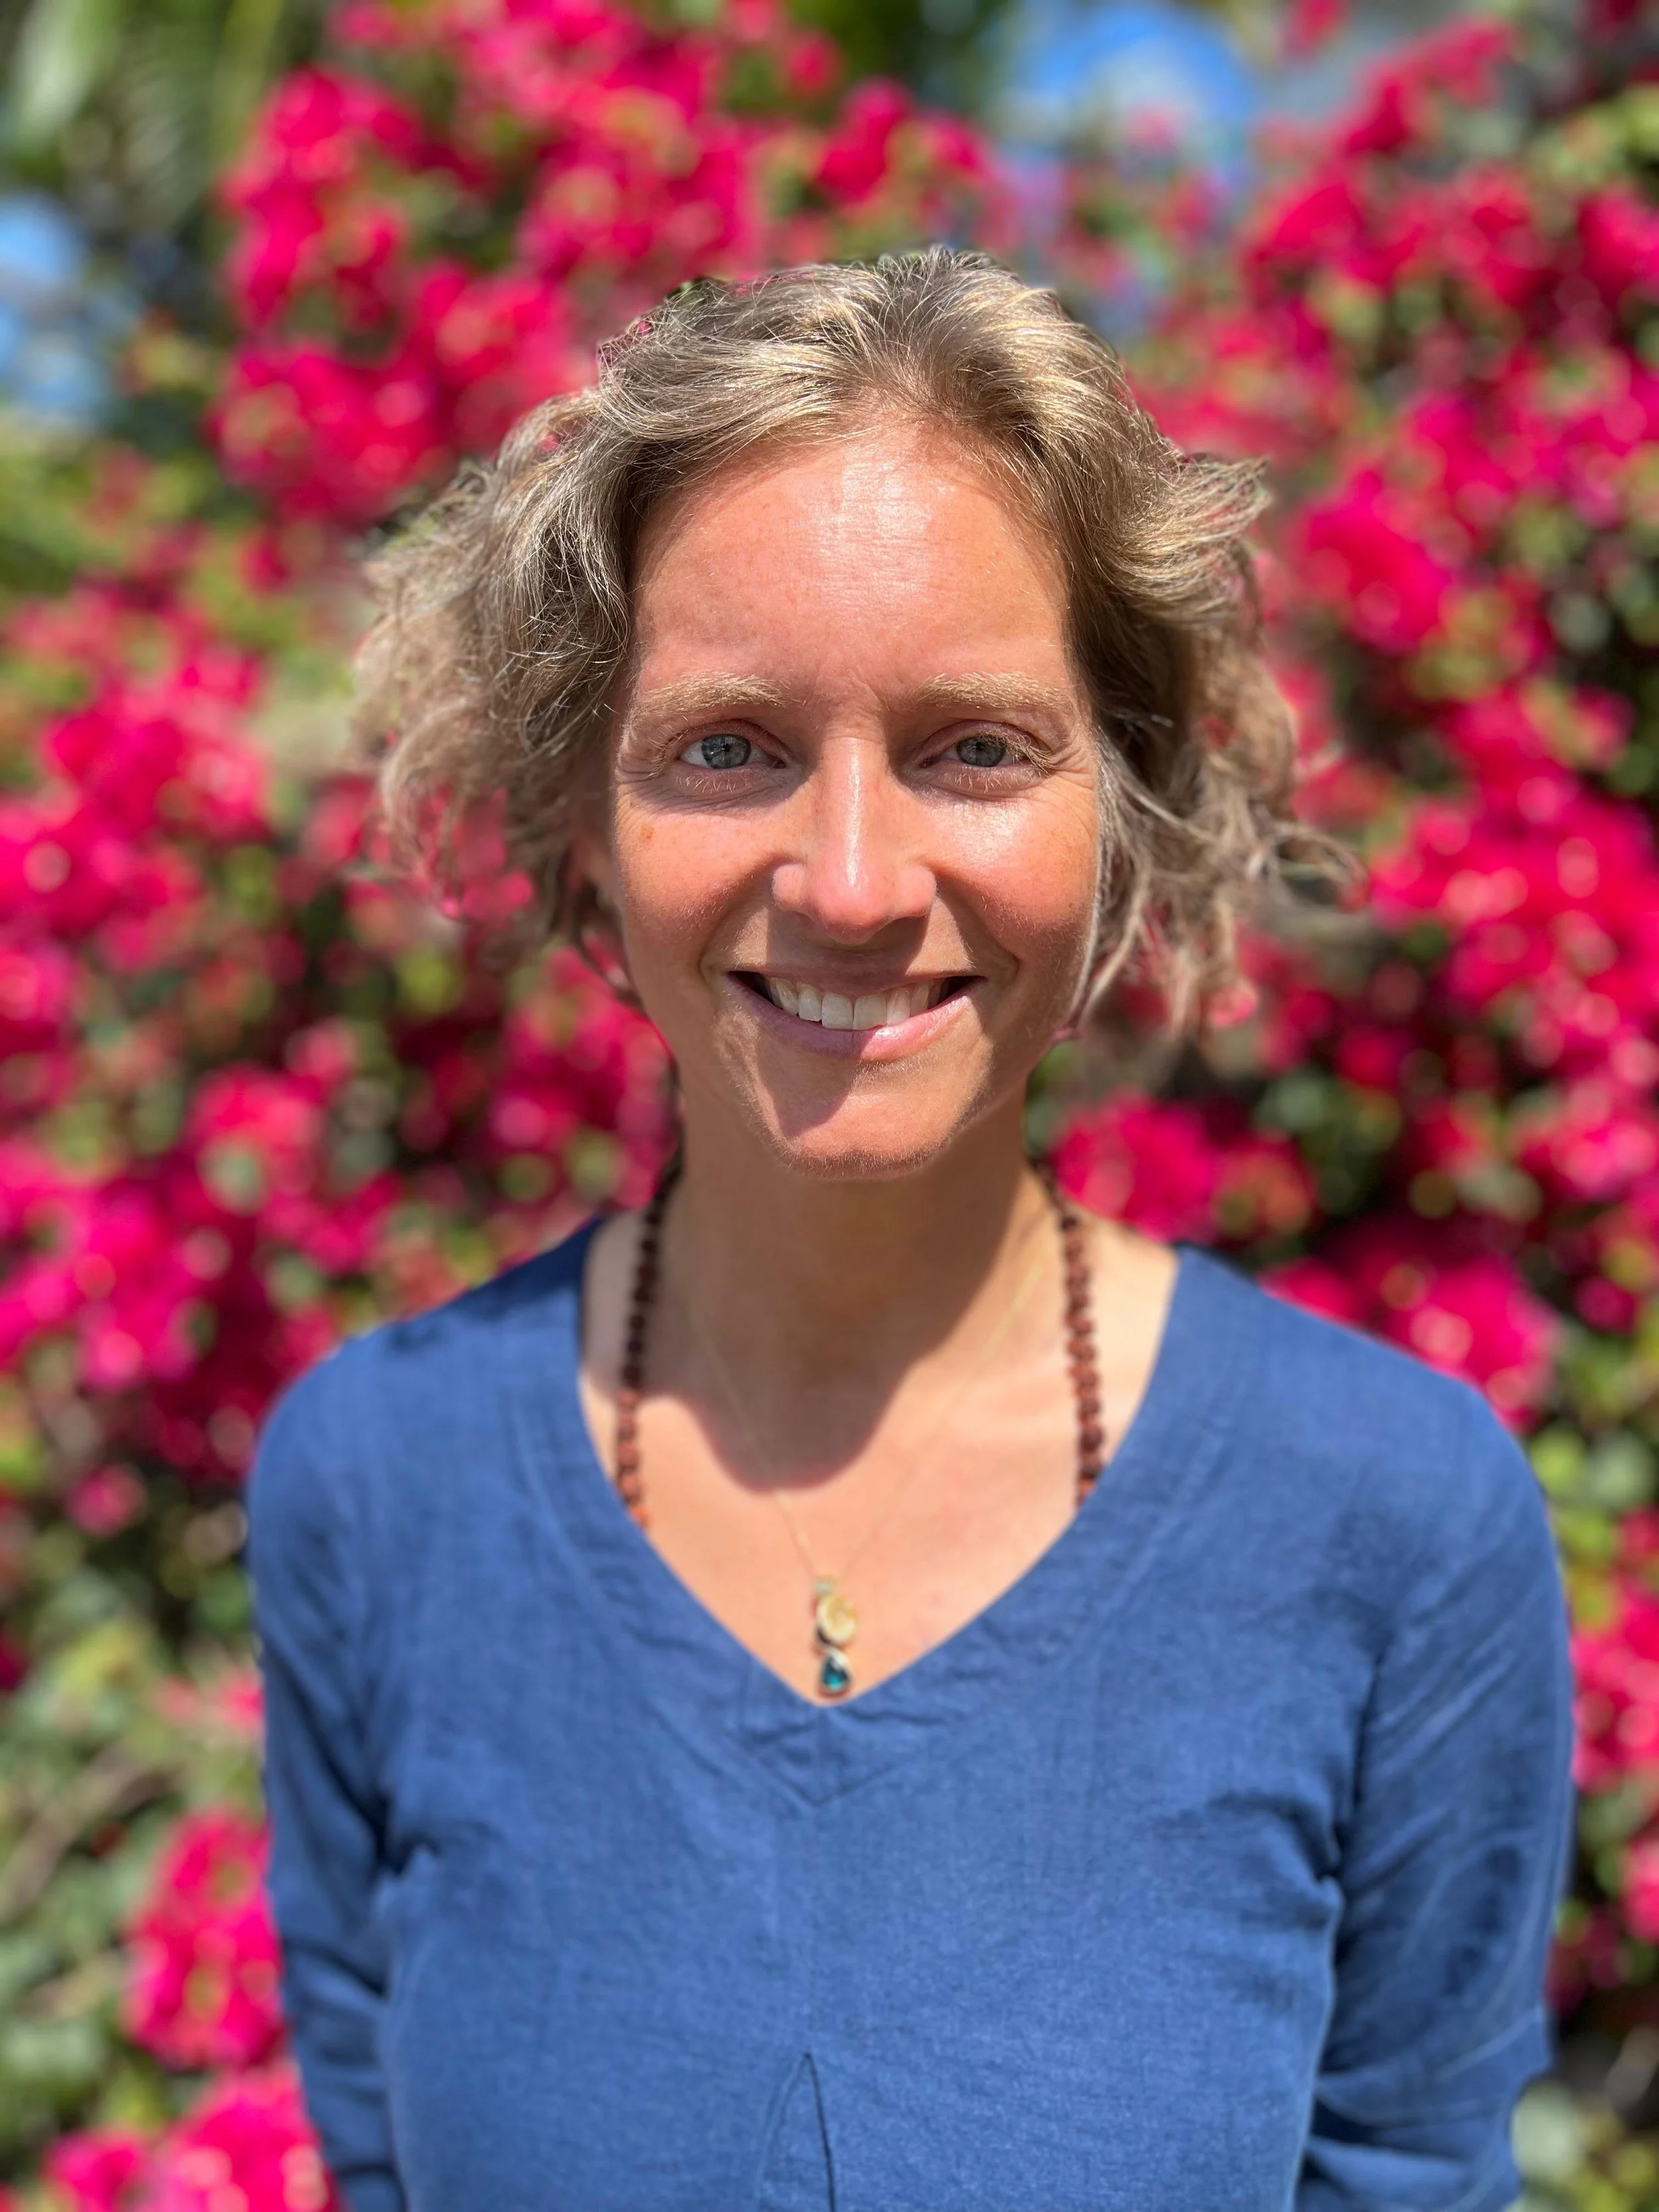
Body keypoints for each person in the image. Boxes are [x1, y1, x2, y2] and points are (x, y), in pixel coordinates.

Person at [246, 248, 1577, 2212]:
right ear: (582, 834)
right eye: (727, 746)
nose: (853, 881)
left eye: (971, 745)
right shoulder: (376, 1485)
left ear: (1118, 801)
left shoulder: (1392, 1519)